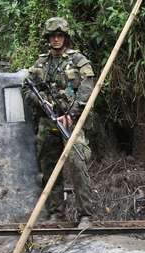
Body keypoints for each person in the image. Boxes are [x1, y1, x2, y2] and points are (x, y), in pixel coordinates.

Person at [23, 17, 95, 228]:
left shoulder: (78, 60)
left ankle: (85, 215)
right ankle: (56, 213)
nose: (56, 39)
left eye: (59, 35)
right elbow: (26, 87)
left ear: (65, 37)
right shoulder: (41, 63)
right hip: (48, 121)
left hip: (71, 120)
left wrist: (72, 113)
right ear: (48, 38)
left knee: (77, 163)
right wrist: (39, 100)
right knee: (48, 166)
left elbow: (87, 88)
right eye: (52, 36)